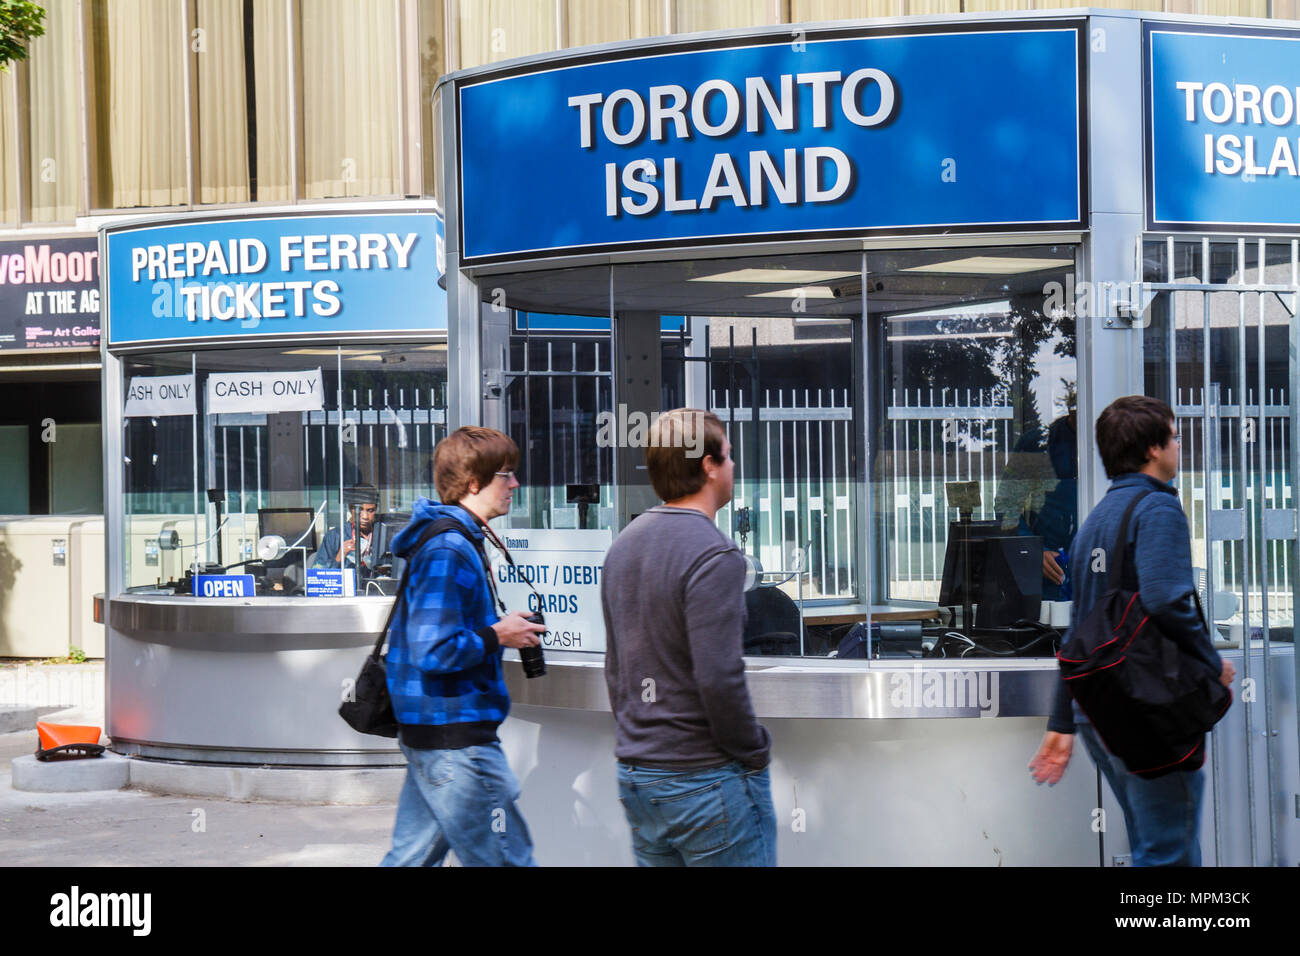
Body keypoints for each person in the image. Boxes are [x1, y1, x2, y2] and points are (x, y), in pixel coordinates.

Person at [1029, 396, 1235, 866]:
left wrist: (1064, 722)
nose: (1180, 447)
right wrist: (1211, 661)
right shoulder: (1157, 510)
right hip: (1147, 709)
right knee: (1169, 854)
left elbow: (1080, 632)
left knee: (1155, 844)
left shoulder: (1095, 522)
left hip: (1101, 717)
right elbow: (1166, 599)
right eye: (1176, 437)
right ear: (1153, 450)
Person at [601, 408, 776, 866]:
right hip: (705, 779)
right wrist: (754, 752)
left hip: (639, 777)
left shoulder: (624, 544)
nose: (735, 466)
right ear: (707, 466)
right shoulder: (715, 554)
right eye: (730, 456)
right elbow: (719, 676)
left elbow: (617, 668)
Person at [380, 427, 546, 867]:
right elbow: (432, 650)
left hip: (438, 737)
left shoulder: (455, 539)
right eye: (506, 475)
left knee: (410, 859)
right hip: (456, 742)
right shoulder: (450, 548)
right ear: (474, 483)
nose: (514, 485)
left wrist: (496, 629)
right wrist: (499, 635)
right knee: (508, 858)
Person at [311, 483, 388, 575]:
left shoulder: (383, 535)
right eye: (359, 510)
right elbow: (317, 576)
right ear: (350, 508)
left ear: (376, 509)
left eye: (370, 511)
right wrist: (339, 557)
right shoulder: (334, 537)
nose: (365, 516)